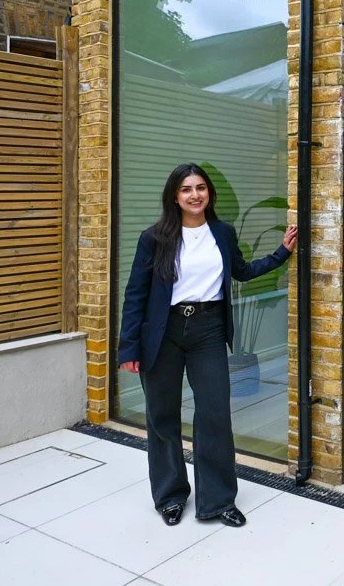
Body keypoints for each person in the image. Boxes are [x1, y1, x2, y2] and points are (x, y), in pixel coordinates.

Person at [118, 163, 298, 528]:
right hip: (163, 333)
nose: (195, 194)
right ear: (175, 196)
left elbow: (241, 272)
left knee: (214, 413)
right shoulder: (154, 238)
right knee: (162, 416)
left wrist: (281, 253)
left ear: (209, 194)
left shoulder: (223, 233)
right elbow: (136, 294)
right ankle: (170, 495)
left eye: (201, 187)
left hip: (208, 329)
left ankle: (218, 500)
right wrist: (129, 348)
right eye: (187, 189)